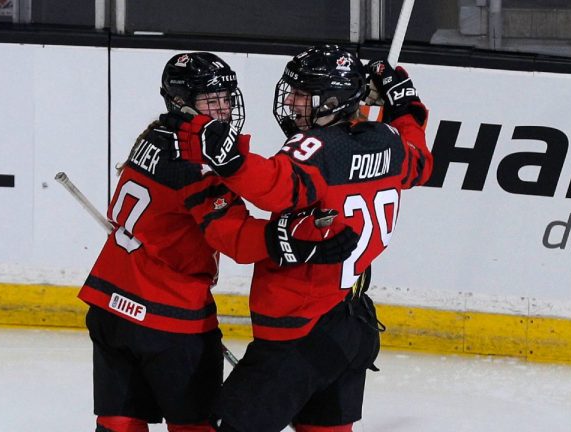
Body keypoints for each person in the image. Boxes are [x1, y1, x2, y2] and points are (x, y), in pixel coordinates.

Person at [78, 51, 358, 432]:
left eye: (226, 98)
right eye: (211, 101)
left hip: (109, 305)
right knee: (195, 426)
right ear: (181, 102)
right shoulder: (198, 164)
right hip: (169, 318)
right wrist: (300, 239)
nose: (223, 109)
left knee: (118, 420)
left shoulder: (152, 138)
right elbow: (237, 241)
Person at [161, 44, 433, 432]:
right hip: (350, 326)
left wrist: (230, 160)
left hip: (298, 332)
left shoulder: (319, 149)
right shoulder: (389, 141)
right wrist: (405, 105)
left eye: (302, 93)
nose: (291, 100)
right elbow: (421, 162)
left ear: (333, 99)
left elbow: (274, 187)